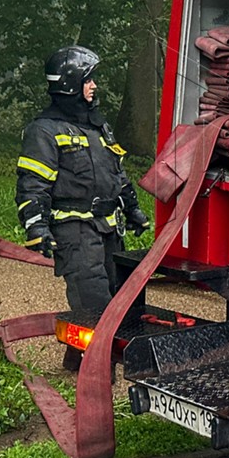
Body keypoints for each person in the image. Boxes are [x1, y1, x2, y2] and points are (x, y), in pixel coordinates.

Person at [15, 46, 150, 324]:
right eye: (88, 79)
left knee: (124, 299)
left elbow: (116, 173)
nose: (94, 86)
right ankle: (94, 364)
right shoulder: (44, 130)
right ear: (70, 83)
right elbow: (32, 184)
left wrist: (133, 209)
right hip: (75, 233)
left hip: (110, 229)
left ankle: (85, 358)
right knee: (94, 305)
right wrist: (37, 228)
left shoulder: (97, 126)